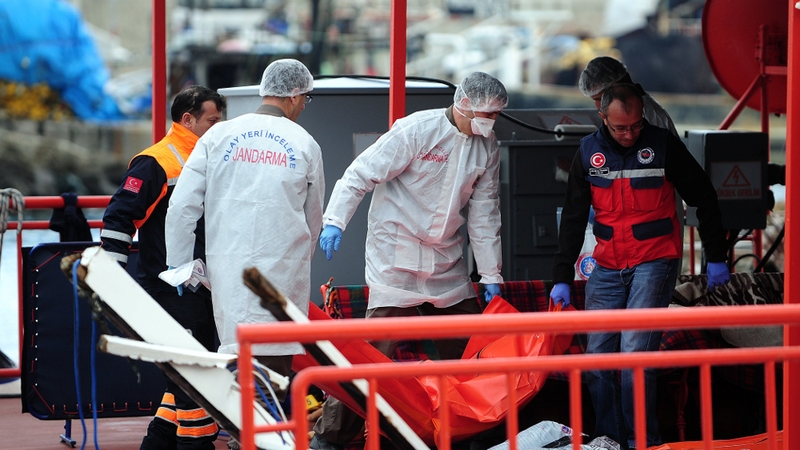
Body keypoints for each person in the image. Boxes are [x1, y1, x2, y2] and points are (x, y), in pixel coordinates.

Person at [310, 71, 508, 449]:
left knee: (471, 350)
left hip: (446, 260)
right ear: (464, 103)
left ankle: (475, 433)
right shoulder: (416, 130)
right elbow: (358, 176)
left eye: (497, 115)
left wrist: (491, 271)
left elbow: (485, 213)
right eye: (488, 113)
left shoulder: (488, 146)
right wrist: (334, 221)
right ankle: (331, 439)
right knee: (370, 354)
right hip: (395, 256)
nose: (491, 121)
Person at [550, 83, 731, 449]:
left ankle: (642, 443)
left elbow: (704, 195)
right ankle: (609, 440)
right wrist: (561, 277)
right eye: (620, 127)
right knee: (598, 359)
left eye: (635, 125)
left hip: (655, 260)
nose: (630, 134)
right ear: (603, 117)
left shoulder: (662, 144)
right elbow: (571, 218)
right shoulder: (587, 153)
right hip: (607, 264)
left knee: (634, 355)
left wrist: (715, 256)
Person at [164, 59, 324, 416]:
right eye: (306, 99)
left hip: (229, 270)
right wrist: (301, 260)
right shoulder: (305, 142)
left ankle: (242, 436)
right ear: (295, 95)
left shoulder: (218, 136)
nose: (303, 106)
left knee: (237, 361)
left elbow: (182, 207)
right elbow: (314, 218)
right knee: (275, 375)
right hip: (283, 273)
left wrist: (179, 264)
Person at [101, 85, 226, 450]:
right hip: (171, 285)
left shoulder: (210, 157)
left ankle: (156, 443)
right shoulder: (157, 162)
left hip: (200, 283)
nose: (218, 127)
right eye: (212, 121)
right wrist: (110, 273)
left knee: (187, 371)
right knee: (195, 373)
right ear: (187, 119)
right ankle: (197, 444)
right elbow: (120, 215)